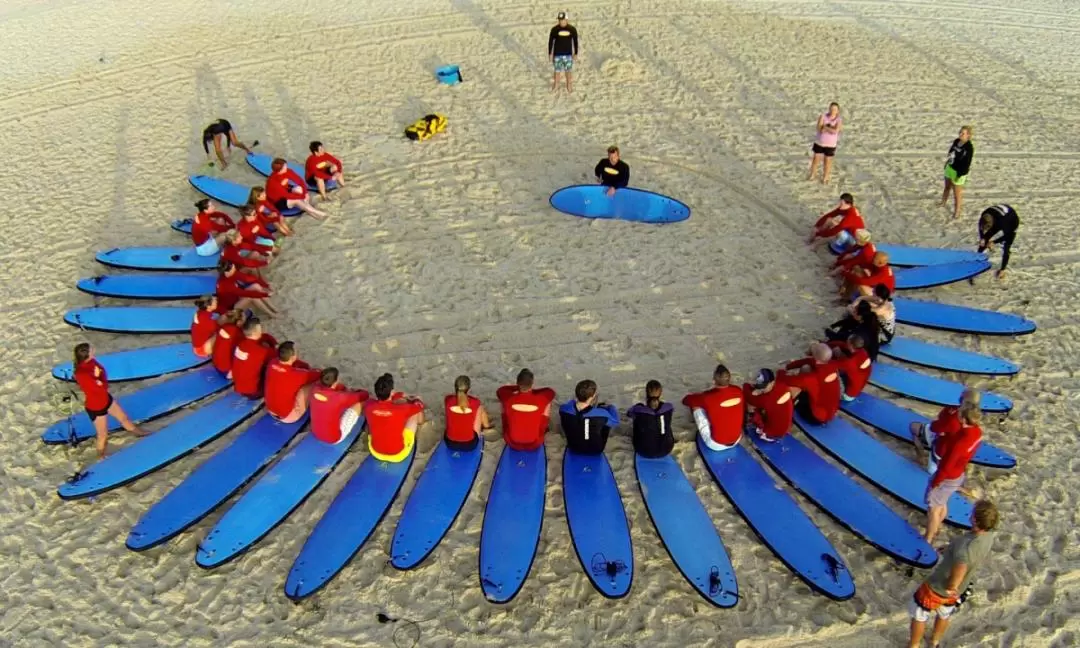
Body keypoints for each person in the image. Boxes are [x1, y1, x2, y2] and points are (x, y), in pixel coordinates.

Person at [907, 500, 999, 648]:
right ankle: (935, 642)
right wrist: (950, 549)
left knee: (919, 613)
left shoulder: (965, 548)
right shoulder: (988, 536)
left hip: (938, 588)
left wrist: (952, 586)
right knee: (944, 613)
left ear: (975, 519)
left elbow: (961, 565)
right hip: (960, 589)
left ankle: (914, 645)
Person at [72, 343, 147, 458]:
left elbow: (103, 375)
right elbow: (100, 387)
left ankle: (138, 432)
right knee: (103, 434)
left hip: (106, 399)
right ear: (86, 353)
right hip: (96, 407)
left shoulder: (92, 361)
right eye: (91, 349)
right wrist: (98, 378)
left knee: (123, 418)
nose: (94, 349)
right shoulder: (81, 373)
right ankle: (101, 455)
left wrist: (99, 379)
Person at [922, 404, 982, 544]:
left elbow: (947, 466)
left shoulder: (960, 443)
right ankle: (937, 526)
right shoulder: (977, 432)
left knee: (933, 508)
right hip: (958, 474)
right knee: (942, 502)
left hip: (948, 476)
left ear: (962, 418)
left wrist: (936, 481)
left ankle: (929, 538)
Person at [343, 374, 424, 462]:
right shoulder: (401, 409)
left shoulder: (369, 405)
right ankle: (421, 422)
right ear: (392, 391)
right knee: (415, 413)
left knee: (373, 421)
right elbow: (419, 406)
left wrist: (400, 395)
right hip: (398, 454)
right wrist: (416, 399)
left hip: (375, 451)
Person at [911, 389, 981, 471]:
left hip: (941, 450)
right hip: (958, 456)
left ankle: (921, 457)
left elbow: (934, 427)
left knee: (913, 427)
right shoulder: (976, 423)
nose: (961, 394)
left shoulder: (953, 416)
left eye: (963, 394)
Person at [682, 364, 745, 451]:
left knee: (696, 406)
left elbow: (686, 400)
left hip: (716, 444)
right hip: (737, 439)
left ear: (714, 380)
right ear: (729, 379)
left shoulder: (708, 397)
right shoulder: (738, 391)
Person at [495, 368, 557, 451]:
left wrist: (518, 387)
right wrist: (532, 390)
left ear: (517, 383)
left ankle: (507, 427)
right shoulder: (540, 399)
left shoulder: (509, 398)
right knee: (547, 403)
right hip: (534, 442)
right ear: (532, 383)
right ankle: (543, 428)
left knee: (503, 403)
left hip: (511, 441)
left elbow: (501, 390)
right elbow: (550, 391)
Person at [781, 342, 841, 424]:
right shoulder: (832, 365)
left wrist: (780, 372)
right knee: (806, 368)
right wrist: (789, 366)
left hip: (817, 417)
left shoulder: (812, 378)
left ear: (815, 356)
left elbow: (787, 380)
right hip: (830, 410)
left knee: (791, 388)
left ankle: (785, 413)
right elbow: (808, 361)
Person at [264, 342, 321, 423]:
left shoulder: (272, 363)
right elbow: (318, 374)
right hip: (288, 416)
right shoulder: (297, 375)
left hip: (270, 410)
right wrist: (314, 370)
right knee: (313, 384)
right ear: (293, 357)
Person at [559, 379, 620, 455]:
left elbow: (571, 404)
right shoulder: (602, 413)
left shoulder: (563, 409)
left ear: (576, 394)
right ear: (593, 396)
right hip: (596, 449)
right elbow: (616, 422)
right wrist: (611, 407)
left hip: (573, 446)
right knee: (606, 423)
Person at [310, 368, 370, 444]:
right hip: (333, 438)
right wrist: (354, 392)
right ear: (336, 381)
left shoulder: (315, 388)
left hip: (315, 432)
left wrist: (342, 389)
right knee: (360, 404)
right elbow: (364, 395)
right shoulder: (339, 397)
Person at [231, 317, 278, 397]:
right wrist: (275, 345)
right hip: (253, 391)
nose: (261, 330)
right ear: (256, 332)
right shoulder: (262, 352)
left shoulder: (241, 344)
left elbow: (264, 336)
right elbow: (280, 356)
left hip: (238, 384)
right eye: (260, 329)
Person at [626, 380, 675, 458]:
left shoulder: (638, 409)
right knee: (666, 422)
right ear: (661, 394)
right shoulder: (669, 407)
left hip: (642, 450)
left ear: (646, 394)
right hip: (667, 449)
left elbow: (629, 413)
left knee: (637, 419)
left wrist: (640, 406)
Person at [743, 368, 794, 441]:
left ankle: (759, 429)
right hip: (786, 428)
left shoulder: (765, 399)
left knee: (750, 406)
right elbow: (780, 373)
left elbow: (749, 396)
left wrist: (746, 385)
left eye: (764, 386)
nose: (762, 389)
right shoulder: (783, 385)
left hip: (771, 434)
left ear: (772, 382)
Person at [444, 375, 492, 451]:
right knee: (480, 408)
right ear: (468, 389)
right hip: (469, 445)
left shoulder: (448, 400)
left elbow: (452, 398)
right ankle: (487, 426)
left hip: (449, 443)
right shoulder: (475, 402)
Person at [940, 125, 975, 219]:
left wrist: (959, 175)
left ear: (968, 135)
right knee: (947, 187)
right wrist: (947, 162)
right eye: (960, 132)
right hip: (950, 168)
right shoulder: (956, 141)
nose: (960, 134)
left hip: (959, 172)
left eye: (963, 133)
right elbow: (951, 152)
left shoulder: (969, 148)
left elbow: (967, 163)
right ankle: (943, 202)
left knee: (957, 194)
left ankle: (957, 212)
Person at [977, 204, 1019, 280]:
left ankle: (1002, 270)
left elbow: (1008, 236)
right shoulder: (985, 214)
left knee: (1007, 247)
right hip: (997, 216)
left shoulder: (1004, 223)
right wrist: (982, 237)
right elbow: (980, 226)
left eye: (988, 227)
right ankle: (976, 260)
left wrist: (994, 242)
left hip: (1011, 220)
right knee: (984, 240)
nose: (987, 228)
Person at [827, 335, 872, 400]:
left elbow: (828, 363)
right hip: (858, 387)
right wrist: (827, 344)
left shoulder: (849, 363)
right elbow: (842, 344)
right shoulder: (863, 352)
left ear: (850, 345)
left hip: (848, 395)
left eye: (847, 340)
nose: (846, 341)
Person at [808, 102, 843, 184]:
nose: (832, 110)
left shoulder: (839, 119)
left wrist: (826, 127)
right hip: (820, 142)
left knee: (827, 161)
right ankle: (813, 174)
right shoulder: (823, 116)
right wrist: (829, 129)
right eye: (831, 108)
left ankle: (825, 176)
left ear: (838, 111)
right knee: (816, 159)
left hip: (831, 144)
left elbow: (836, 131)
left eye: (834, 109)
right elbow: (819, 128)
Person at [548, 11, 579, 94]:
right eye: (559, 20)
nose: (561, 21)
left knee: (568, 70)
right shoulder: (554, 29)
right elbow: (551, 41)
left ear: (566, 20)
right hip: (557, 54)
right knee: (557, 71)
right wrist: (550, 53)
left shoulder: (572, 29)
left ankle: (569, 84)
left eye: (562, 20)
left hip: (568, 54)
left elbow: (575, 41)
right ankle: (556, 85)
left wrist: (576, 53)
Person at [211, 309, 247, 376]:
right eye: (244, 320)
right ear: (239, 322)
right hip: (226, 370)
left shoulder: (224, 327)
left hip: (215, 362)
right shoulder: (238, 334)